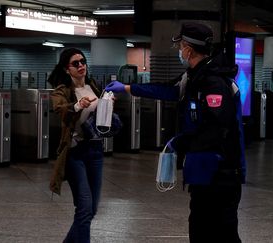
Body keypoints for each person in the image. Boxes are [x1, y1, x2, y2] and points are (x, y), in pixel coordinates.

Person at [105, 22, 246, 242]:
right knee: (201, 230)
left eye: (181, 46)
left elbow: (216, 127)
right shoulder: (193, 77)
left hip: (220, 174)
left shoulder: (213, 82)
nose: (179, 51)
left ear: (189, 49)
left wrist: (180, 142)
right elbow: (168, 90)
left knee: (219, 234)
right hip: (204, 172)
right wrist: (126, 88)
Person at [48, 48, 104, 243]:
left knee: (91, 209)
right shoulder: (62, 91)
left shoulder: (94, 86)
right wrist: (78, 105)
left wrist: (107, 103)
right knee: (84, 208)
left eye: (82, 61)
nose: (81, 66)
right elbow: (61, 110)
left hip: (96, 151)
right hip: (75, 153)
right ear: (67, 69)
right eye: (75, 63)